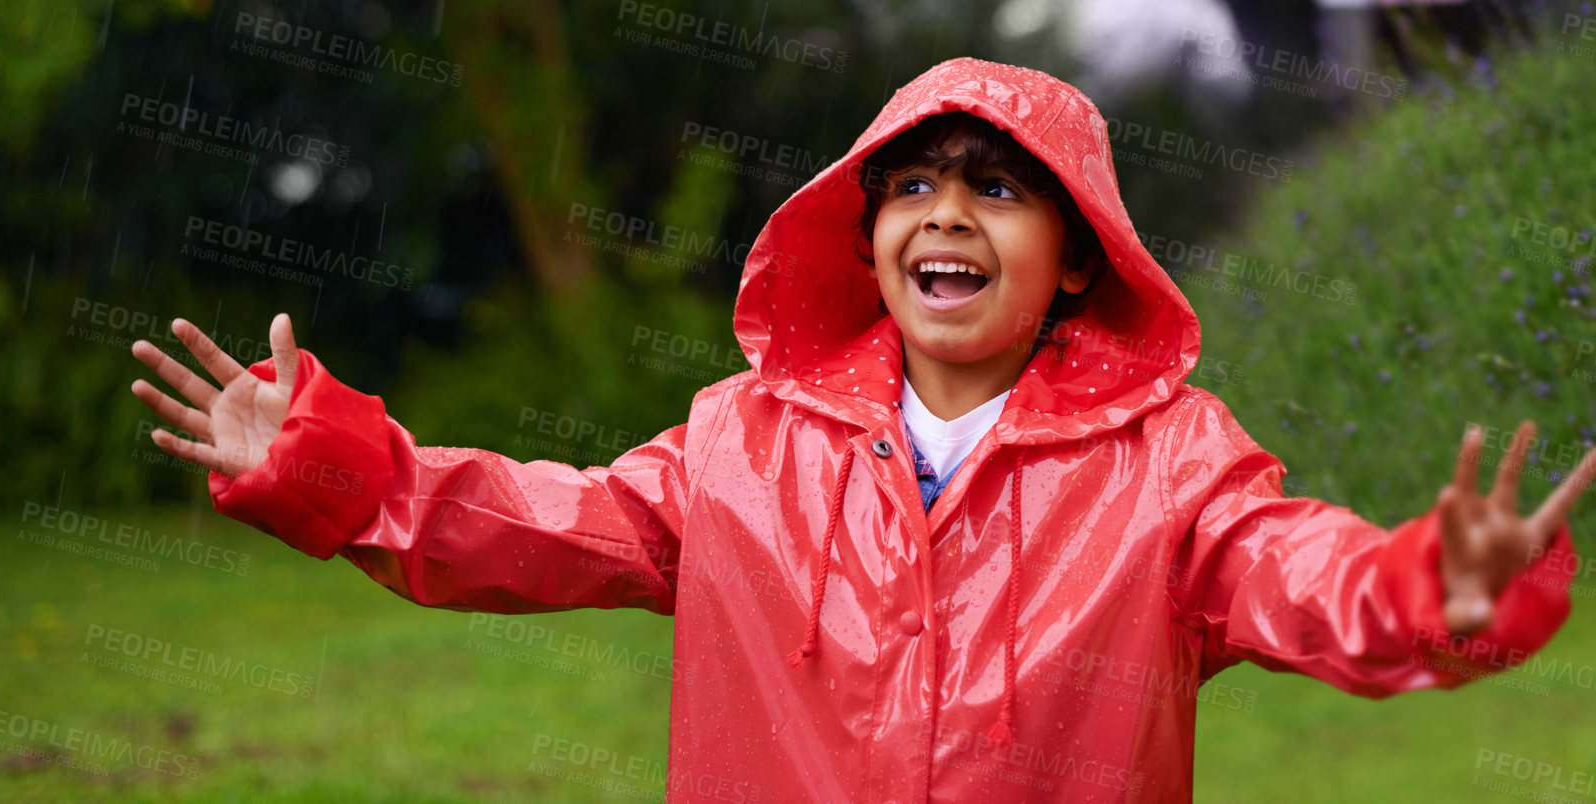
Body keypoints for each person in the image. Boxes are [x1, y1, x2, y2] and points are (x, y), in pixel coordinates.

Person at [129, 57, 1595, 802]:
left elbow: (1301, 573)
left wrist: (1434, 591)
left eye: (997, 186)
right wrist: (326, 459)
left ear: (1078, 254)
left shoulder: (1173, 463)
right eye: (912, 184)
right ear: (871, 229)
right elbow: (534, 523)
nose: (946, 211)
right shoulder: (740, 444)